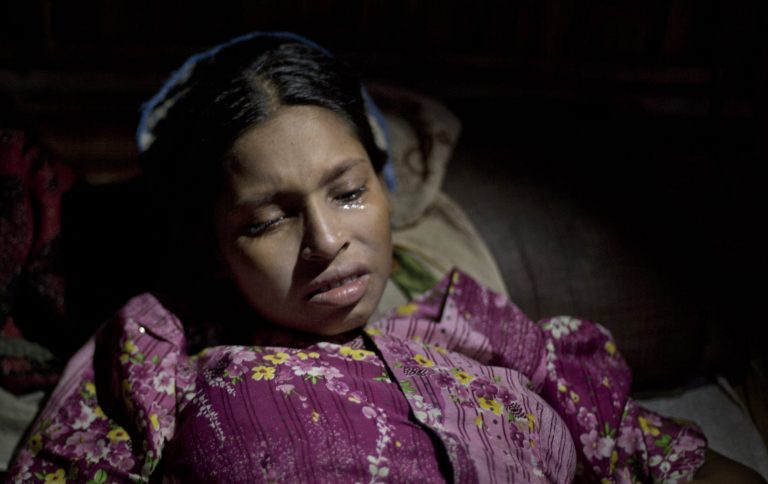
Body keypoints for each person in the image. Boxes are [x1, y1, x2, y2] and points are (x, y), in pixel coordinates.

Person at [6, 32, 764, 484]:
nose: (327, 241)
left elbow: (661, 457)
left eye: (347, 193)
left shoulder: (478, 324)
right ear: (212, 244)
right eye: (269, 219)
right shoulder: (157, 350)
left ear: (383, 187)